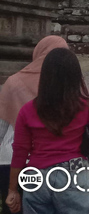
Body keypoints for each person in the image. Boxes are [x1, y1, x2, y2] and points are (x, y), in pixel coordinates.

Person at [7, 47, 89, 214]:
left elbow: (19, 152)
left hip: (36, 176)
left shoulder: (27, 110)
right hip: (73, 173)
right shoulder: (88, 106)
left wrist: (13, 190)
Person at [0, 36, 69, 214]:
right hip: (57, 163)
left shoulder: (13, 83)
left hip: (10, 159)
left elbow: (1, 128)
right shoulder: (71, 86)